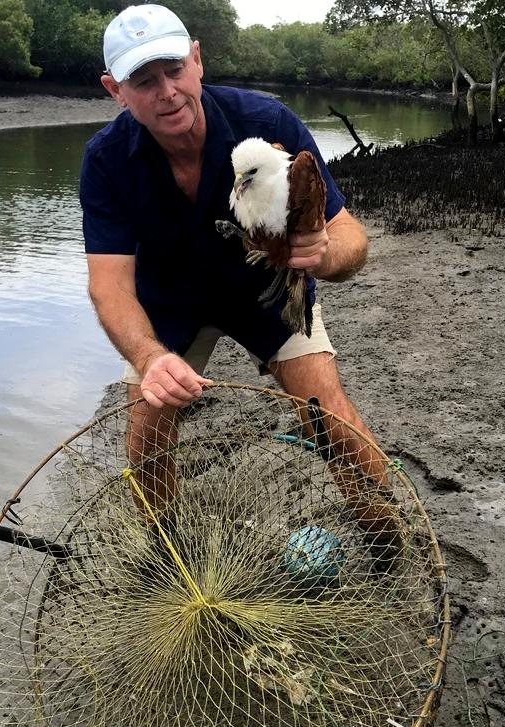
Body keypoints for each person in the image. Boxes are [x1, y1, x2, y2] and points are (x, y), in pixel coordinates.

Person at [80, 4, 392, 524]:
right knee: (146, 432)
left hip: (267, 293)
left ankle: (386, 534)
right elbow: (109, 287)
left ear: (197, 60)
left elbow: (349, 236)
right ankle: (166, 548)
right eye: (144, 80)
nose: (167, 91)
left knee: (330, 419)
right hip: (169, 306)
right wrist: (152, 358)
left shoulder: (266, 123)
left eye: (175, 70)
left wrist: (324, 253)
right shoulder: (106, 159)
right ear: (115, 89)